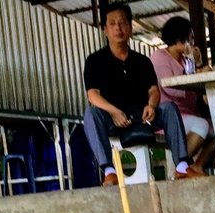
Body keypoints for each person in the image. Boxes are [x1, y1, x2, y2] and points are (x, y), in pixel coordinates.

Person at [83, 3, 202, 185]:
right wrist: (113, 111)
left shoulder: (142, 61)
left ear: (130, 28)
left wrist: (152, 106)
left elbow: (153, 90)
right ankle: (109, 171)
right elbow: (92, 94)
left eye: (122, 23)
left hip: (143, 115)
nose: (118, 28)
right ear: (105, 30)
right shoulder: (95, 61)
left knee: (169, 108)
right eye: (113, 24)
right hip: (113, 118)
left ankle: (182, 167)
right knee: (91, 114)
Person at [150, 16, 215, 172]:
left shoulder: (186, 61)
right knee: (201, 125)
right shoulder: (159, 57)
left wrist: (199, 64)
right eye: (191, 38)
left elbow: (196, 90)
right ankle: (178, 170)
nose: (192, 43)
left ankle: (197, 166)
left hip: (189, 114)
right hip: (168, 117)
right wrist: (194, 74)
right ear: (181, 37)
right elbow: (170, 89)